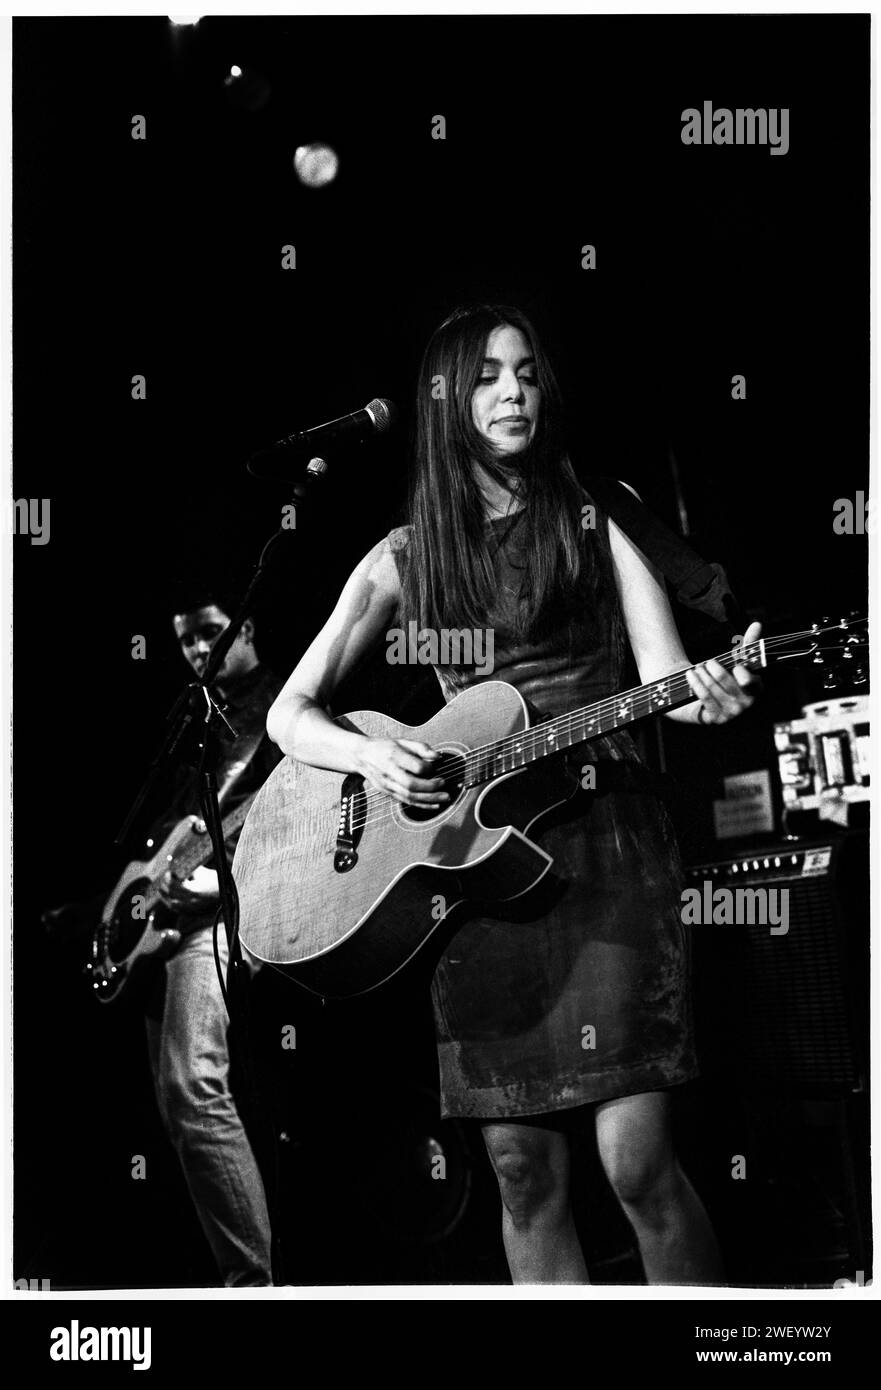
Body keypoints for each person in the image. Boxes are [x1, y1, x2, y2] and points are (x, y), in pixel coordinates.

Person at [265, 304, 759, 1285]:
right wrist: (376, 760)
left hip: (608, 851)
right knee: (520, 1169)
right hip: (473, 875)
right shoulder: (404, 556)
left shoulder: (598, 511)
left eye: (527, 373)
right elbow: (291, 713)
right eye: (487, 375)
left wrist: (720, 690)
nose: (512, 392)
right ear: (446, 400)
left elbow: (671, 679)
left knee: (634, 1162)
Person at [143, 591, 282, 1286]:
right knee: (176, 1104)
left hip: (224, 914)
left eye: (208, 634)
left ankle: (251, 1286)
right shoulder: (196, 723)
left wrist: (223, 886)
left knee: (192, 1085)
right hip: (168, 916)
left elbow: (294, 813)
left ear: (245, 628)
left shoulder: (281, 708)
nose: (197, 651)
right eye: (184, 641)